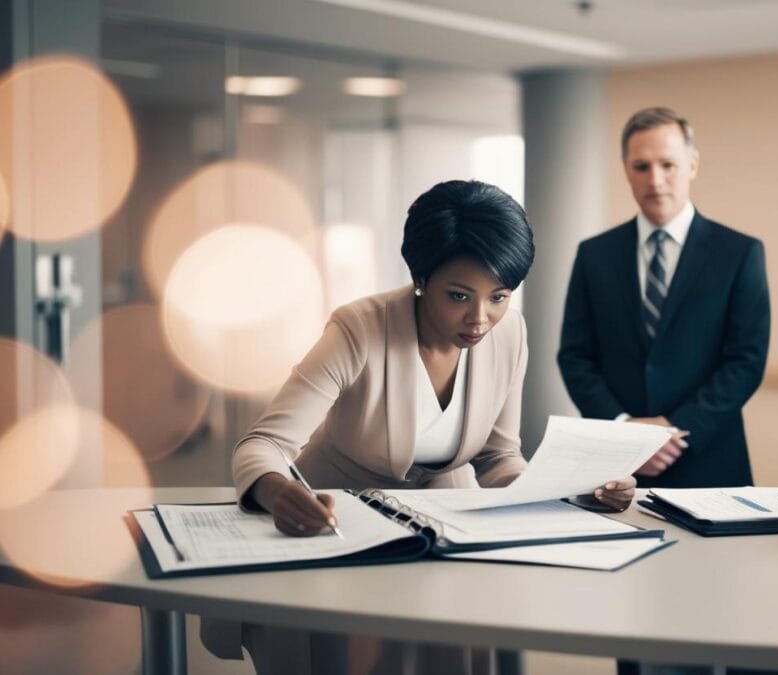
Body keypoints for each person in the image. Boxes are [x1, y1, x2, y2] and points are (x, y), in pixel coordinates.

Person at [204, 180, 635, 675]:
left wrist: (570, 494)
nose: (480, 318)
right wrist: (279, 494)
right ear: (421, 278)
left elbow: (498, 458)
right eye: (459, 295)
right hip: (334, 519)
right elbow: (264, 443)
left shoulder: (509, 332)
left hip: (438, 531)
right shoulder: (359, 329)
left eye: (499, 296)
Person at [558, 107, 771, 491]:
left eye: (667, 164)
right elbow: (575, 356)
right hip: (614, 468)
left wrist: (672, 431)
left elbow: (746, 361)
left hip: (710, 462)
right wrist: (625, 429)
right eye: (641, 166)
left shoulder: (739, 253)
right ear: (626, 169)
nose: (655, 180)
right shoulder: (594, 255)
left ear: (692, 165)